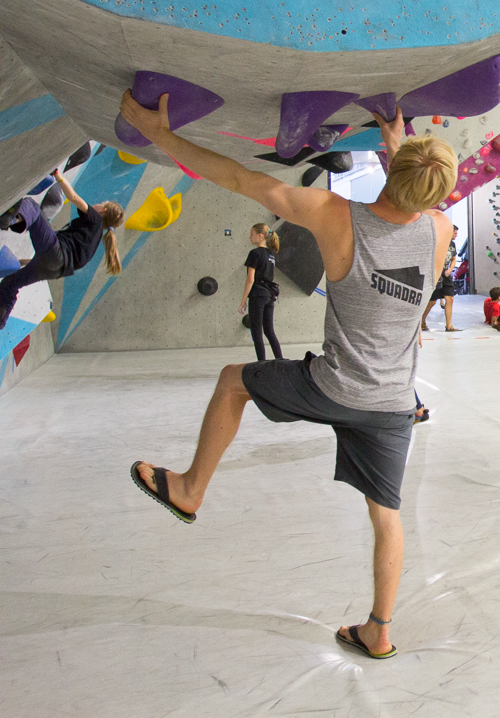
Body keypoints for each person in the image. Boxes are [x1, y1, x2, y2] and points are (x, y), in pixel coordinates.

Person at [121, 92, 455, 660]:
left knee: (233, 380)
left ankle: (188, 489)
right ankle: (379, 631)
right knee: (387, 518)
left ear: (395, 172)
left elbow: (239, 178)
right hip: (393, 402)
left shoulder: (333, 215)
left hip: (332, 385)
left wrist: (163, 135)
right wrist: (398, 144)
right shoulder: (440, 232)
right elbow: (416, 198)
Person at [0, 168, 124, 330]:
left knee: (33, 208)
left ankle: (9, 219)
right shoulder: (92, 240)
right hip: (54, 270)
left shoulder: (96, 221)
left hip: (54, 256)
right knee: (10, 284)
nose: (98, 204)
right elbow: (64, 262)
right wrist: (28, 261)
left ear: (103, 210)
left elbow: (73, 197)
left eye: (102, 203)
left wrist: (58, 175)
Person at [238, 222, 283, 361]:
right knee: (269, 331)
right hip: (270, 294)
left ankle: (262, 363)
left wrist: (243, 300)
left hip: (258, 294)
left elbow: (250, 279)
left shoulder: (254, 253)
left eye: (251, 234)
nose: (249, 237)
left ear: (260, 235)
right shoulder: (271, 255)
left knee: (257, 332)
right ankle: (280, 360)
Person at [422, 225, 459, 332]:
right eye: (455, 233)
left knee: (450, 298)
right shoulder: (438, 242)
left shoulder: (452, 245)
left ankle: (449, 325)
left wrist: (450, 269)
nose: (456, 236)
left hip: (446, 275)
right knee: (432, 301)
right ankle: (422, 320)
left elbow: (453, 259)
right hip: (436, 274)